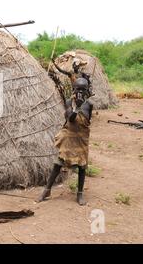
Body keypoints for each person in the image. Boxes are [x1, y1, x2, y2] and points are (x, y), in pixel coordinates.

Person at [37, 77, 93, 206]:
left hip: (81, 139)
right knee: (58, 164)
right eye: (78, 89)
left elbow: (87, 121)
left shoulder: (89, 104)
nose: (80, 92)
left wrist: (81, 106)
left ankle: (80, 194)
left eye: (83, 90)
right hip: (69, 137)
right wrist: (76, 108)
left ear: (87, 90)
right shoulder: (69, 102)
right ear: (73, 89)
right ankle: (47, 190)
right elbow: (71, 119)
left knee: (82, 167)